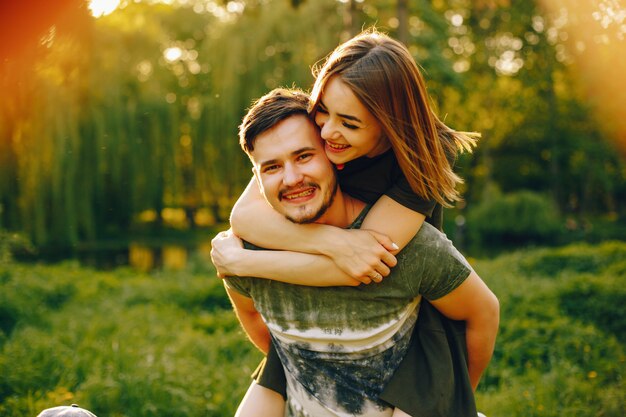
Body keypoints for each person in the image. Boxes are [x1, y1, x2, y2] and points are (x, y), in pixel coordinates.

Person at [214, 29, 485, 416]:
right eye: (322, 110)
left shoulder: (421, 159)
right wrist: (333, 242)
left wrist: (244, 263)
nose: (326, 132)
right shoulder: (313, 132)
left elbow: (360, 265)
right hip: (317, 337)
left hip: (404, 305)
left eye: (349, 124)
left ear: (389, 126)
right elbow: (244, 215)